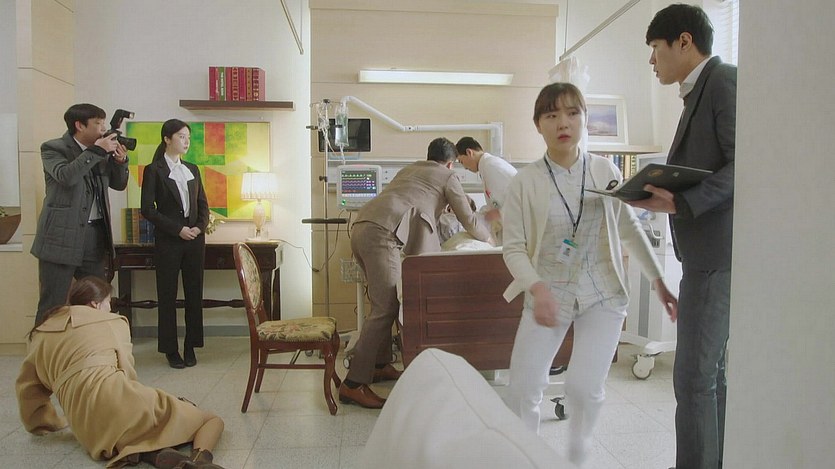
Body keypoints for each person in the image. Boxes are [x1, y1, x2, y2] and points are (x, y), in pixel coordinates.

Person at [501, 82, 678, 466]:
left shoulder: (604, 169)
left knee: (584, 389)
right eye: (552, 115)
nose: (563, 123)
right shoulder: (525, 182)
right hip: (548, 293)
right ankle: (526, 459)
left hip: (603, 292)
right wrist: (537, 288)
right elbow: (513, 247)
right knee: (523, 389)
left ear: (584, 119)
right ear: (538, 124)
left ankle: (577, 456)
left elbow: (628, 227)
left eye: (572, 113)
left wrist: (658, 279)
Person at [633, 5, 736, 468]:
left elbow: (744, 163)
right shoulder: (697, 93)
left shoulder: (723, 81)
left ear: (684, 41)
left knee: (694, 379)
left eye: (655, 48)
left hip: (717, 255)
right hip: (703, 255)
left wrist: (682, 203)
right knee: (709, 378)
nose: (652, 60)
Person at [340, 137, 493, 409]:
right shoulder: (448, 177)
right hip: (381, 234)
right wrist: (490, 236)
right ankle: (353, 384)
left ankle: (379, 365)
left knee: (382, 302)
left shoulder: (409, 170)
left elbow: (416, 204)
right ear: (451, 163)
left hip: (362, 227)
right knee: (386, 307)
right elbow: (469, 221)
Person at [16, 276, 225, 469]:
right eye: (109, 303)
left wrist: (47, 423)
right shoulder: (111, 322)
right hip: (118, 400)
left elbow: (28, 390)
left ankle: (148, 453)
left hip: (83, 425)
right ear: (95, 304)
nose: (110, 308)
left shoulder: (42, 332)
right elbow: (127, 374)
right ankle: (200, 460)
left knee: (124, 434)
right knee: (210, 420)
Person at [31, 103, 130, 324]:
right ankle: (44, 346)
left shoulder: (100, 150)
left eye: (103, 123)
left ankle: (92, 343)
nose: (103, 128)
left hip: (94, 236)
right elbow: (66, 176)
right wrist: (96, 151)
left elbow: (119, 184)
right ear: (79, 125)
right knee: (53, 303)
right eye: (98, 123)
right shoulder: (54, 148)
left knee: (97, 299)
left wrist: (120, 162)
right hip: (60, 238)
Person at [140, 119, 209, 369]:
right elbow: (148, 209)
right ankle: (170, 349)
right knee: (167, 296)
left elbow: (203, 205)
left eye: (188, 137)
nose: (186, 141)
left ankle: (191, 346)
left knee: (194, 294)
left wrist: (198, 228)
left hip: (194, 241)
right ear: (167, 139)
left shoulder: (192, 168)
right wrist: (177, 229)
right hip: (169, 241)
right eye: (181, 136)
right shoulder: (154, 170)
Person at [455, 136, 517, 244]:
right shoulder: (486, 166)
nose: (464, 167)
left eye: (461, 161)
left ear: (469, 152)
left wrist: (499, 213)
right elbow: (495, 202)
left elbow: (519, 199)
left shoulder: (492, 166)